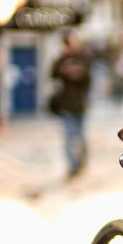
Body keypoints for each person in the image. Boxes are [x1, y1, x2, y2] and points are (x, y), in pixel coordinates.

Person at [50, 30, 92, 177]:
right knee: (69, 137)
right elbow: (52, 75)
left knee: (80, 136)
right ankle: (72, 165)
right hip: (66, 105)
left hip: (80, 105)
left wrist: (77, 71)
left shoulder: (82, 59)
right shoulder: (61, 60)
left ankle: (81, 163)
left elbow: (88, 80)